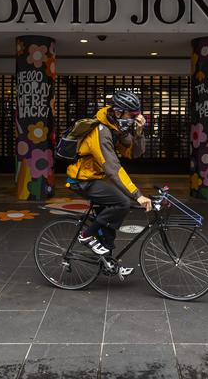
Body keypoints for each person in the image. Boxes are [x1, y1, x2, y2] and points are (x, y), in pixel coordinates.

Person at [66, 91, 152, 279]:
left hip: (98, 177)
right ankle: (86, 235)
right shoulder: (101, 132)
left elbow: (133, 153)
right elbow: (113, 168)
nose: (134, 118)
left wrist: (138, 132)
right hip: (83, 179)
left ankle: (108, 262)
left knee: (110, 222)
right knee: (122, 202)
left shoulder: (114, 127)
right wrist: (137, 194)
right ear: (119, 112)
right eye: (132, 115)